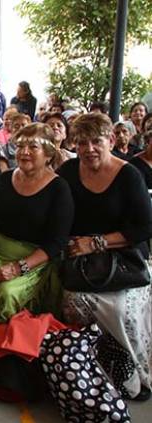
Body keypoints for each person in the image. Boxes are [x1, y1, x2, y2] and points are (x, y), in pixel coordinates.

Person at [0, 123, 74, 375]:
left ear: (48, 153)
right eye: (20, 145)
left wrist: (18, 267)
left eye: (32, 146)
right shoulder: (5, 178)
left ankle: (4, 358)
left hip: (34, 259)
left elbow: (56, 243)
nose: (24, 151)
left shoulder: (59, 189)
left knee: (6, 295)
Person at [58, 113, 152, 401]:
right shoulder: (69, 171)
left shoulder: (129, 175)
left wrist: (97, 243)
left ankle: (133, 371)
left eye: (96, 141)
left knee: (122, 309)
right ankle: (89, 369)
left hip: (124, 256)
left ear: (111, 140)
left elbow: (145, 226)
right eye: (82, 142)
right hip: (79, 258)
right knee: (73, 301)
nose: (89, 149)